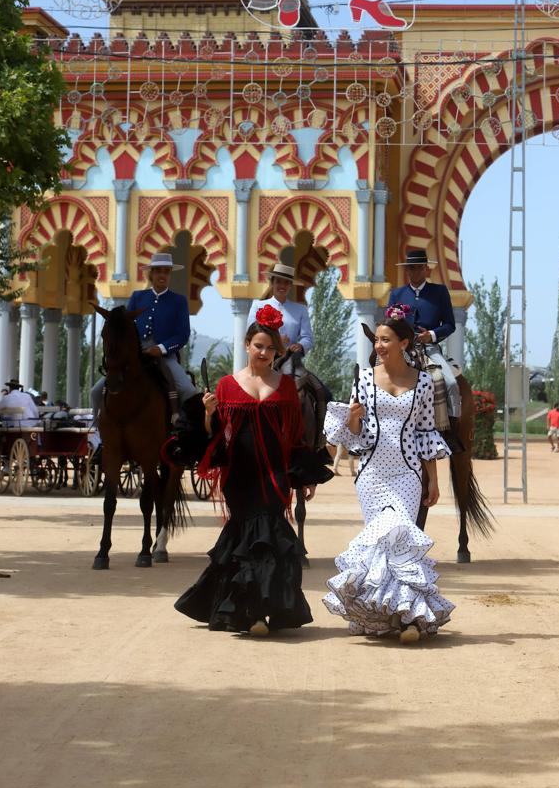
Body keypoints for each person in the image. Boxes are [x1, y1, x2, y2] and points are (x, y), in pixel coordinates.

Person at [174, 305, 332, 637]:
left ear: (277, 351)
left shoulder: (287, 386)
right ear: (247, 345)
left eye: (270, 348)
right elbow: (215, 433)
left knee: (271, 534)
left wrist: (304, 476)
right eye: (258, 346)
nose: (263, 353)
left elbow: (296, 435)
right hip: (240, 473)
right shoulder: (227, 386)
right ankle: (248, 609)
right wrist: (207, 413)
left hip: (275, 472)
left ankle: (260, 611)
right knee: (245, 535)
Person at [322, 306, 455, 644]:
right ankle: (384, 616)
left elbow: (426, 432)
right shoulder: (364, 379)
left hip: (408, 474)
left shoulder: (424, 381)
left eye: (386, 340)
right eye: (377, 340)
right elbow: (354, 434)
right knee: (379, 545)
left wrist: (434, 480)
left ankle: (410, 618)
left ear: (404, 342)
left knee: (401, 542)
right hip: (372, 475)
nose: (379, 346)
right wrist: (352, 417)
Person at [91, 253, 200, 425]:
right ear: (151, 274)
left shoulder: (178, 301)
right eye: (158, 271)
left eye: (166, 271)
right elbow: (125, 327)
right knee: (96, 391)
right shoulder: (138, 297)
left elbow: (182, 334)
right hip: (136, 354)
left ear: (170, 274)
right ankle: (100, 435)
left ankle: (184, 432)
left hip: (164, 356)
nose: (162, 275)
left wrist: (161, 348)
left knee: (188, 390)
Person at [385, 247, 461, 426]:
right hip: (401, 348)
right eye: (411, 268)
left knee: (450, 383)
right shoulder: (397, 294)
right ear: (407, 270)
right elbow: (387, 326)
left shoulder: (440, 292)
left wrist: (432, 335)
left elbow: (450, 324)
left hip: (429, 349)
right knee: (373, 378)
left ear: (426, 269)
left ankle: (452, 428)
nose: (415, 272)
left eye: (419, 267)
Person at [247, 262, 313, 373]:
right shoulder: (258, 306)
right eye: (278, 282)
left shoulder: (301, 310)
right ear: (272, 283)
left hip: (289, 360)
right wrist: (275, 340)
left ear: (290, 285)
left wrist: (300, 345)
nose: (282, 286)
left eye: (286, 283)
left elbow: (308, 337)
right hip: (262, 357)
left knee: (311, 383)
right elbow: (250, 334)